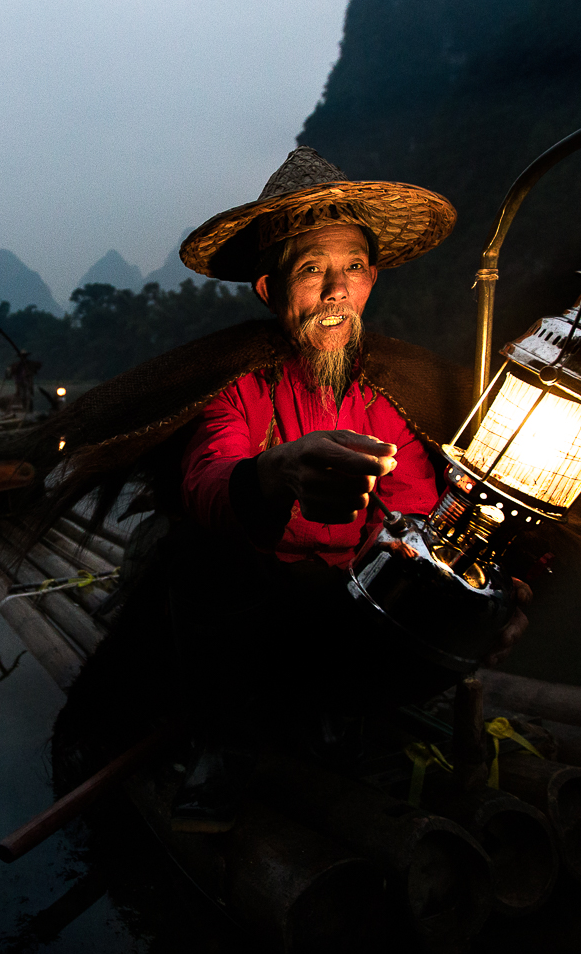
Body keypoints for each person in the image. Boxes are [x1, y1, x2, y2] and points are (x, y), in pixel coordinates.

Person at [38, 147, 531, 830]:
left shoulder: (390, 394)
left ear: (372, 278)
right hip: (240, 625)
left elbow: (419, 508)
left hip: (339, 621)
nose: (336, 290)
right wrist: (276, 474)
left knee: (415, 583)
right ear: (271, 290)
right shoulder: (237, 387)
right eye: (311, 270)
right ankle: (229, 740)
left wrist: (475, 594)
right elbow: (209, 481)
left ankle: (337, 713)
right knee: (205, 557)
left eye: (352, 268)